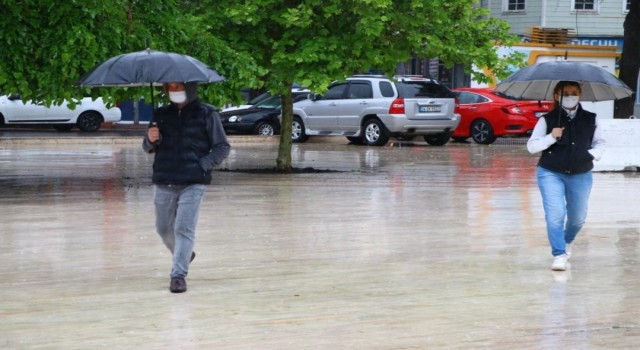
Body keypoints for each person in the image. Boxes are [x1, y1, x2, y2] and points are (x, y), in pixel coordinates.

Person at [143, 82, 230, 293]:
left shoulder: (207, 114)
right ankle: (185, 253)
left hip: (193, 181)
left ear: (189, 88)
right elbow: (147, 147)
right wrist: (150, 139)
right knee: (163, 229)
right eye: (170, 88)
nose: (174, 91)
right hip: (164, 178)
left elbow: (222, 146)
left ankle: (178, 275)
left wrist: (203, 164)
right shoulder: (161, 113)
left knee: (184, 228)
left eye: (178, 87)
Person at [527, 80, 604, 271]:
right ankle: (559, 254)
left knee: (578, 218)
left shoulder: (591, 118)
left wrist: (592, 155)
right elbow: (532, 147)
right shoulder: (547, 119)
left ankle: (567, 240)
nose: (570, 96)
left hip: (581, 172)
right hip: (550, 172)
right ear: (556, 96)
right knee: (555, 215)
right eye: (566, 93)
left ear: (580, 95)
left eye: (574, 93)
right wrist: (551, 137)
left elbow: (600, 143)